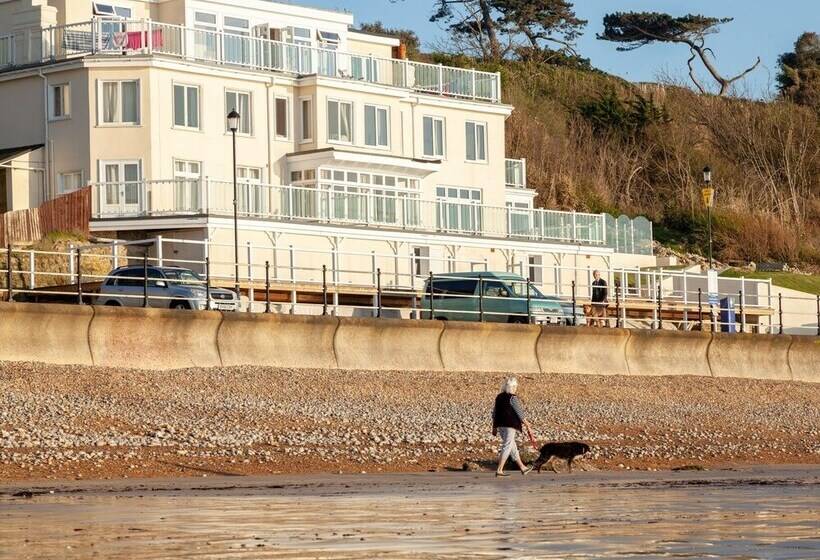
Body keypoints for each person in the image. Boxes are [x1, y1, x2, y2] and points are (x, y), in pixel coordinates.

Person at [492, 377, 534, 477]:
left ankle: (523, 467)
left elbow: (494, 413)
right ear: (512, 387)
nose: (516, 389)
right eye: (515, 387)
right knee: (507, 445)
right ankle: (499, 470)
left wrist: (493, 427)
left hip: (500, 425)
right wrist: (528, 425)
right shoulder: (513, 398)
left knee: (512, 446)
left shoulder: (499, 397)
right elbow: (520, 413)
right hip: (510, 425)